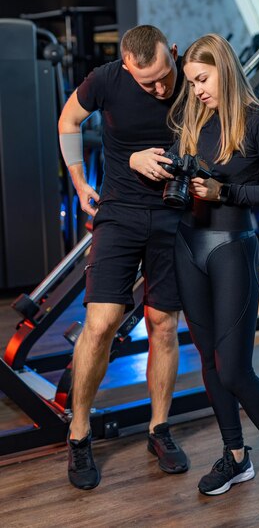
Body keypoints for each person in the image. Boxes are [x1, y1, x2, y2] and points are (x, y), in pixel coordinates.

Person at [163, 33, 259, 510]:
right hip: (188, 244)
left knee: (235, 370)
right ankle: (235, 454)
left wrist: (225, 194)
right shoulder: (192, 117)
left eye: (202, 79)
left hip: (231, 245)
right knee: (207, 361)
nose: (197, 89)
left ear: (224, 69)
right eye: (191, 81)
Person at [58, 25, 189, 490]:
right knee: (101, 322)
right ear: (127, 67)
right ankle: (78, 433)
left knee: (163, 324)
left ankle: (159, 429)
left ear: (172, 53)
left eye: (164, 77)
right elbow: (68, 120)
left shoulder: (191, 76)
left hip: (174, 215)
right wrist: (78, 180)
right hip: (120, 212)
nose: (159, 89)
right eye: (146, 82)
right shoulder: (106, 79)